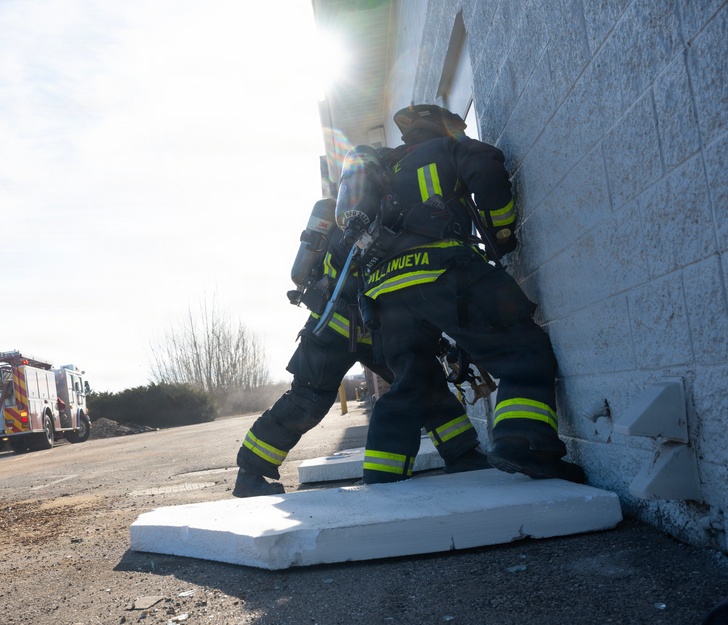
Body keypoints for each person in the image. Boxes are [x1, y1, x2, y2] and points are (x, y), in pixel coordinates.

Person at [339, 103, 584, 484]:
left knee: (409, 382)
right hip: (446, 270)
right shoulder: (448, 148)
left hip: (386, 292)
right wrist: (501, 233)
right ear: (443, 127)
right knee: (522, 352)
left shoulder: (381, 171)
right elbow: (486, 171)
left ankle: (382, 476)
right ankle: (525, 444)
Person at [233, 204, 489, 498]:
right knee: (311, 401)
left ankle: (462, 454)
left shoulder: (362, 214)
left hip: (355, 329)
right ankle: (250, 476)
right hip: (343, 328)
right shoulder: (364, 220)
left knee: (423, 382)